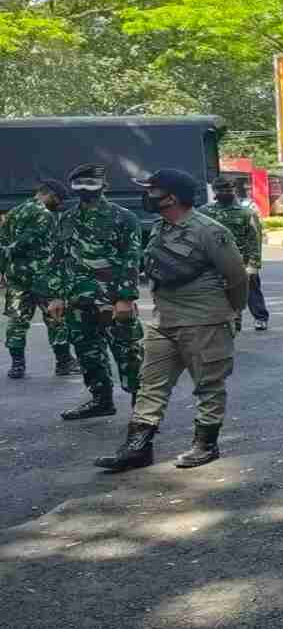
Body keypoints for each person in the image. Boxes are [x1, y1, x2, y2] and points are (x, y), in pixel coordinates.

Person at [94, 169, 248, 472]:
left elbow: (237, 277)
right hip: (164, 321)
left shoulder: (210, 231)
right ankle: (137, 448)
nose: (146, 196)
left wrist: (232, 312)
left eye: (151, 190)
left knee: (208, 385)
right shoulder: (159, 227)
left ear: (171, 197)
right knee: (150, 384)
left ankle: (206, 445)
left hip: (204, 321)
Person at [50, 164, 145, 421]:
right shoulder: (66, 218)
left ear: (104, 186)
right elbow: (59, 259)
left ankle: (143, 410)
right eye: (79, 184)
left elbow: (131, 259)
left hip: (111, 301)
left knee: (128, 353)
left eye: (90, 183)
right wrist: (57, 296)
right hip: (77, 301)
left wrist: (125, 298)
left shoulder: (123, 217)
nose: (84, 189)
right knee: (87, 353)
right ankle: (101, 400)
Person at [1, 178, 78, 378]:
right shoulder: (46, 215)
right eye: (59, 200)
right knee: (56, 319)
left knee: (17, 322)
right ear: (49, 194)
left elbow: (3, 244)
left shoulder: (14, 212)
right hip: (44, 278)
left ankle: (17, 365)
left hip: (17, 277)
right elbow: (53, 249)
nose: (60, 205)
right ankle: (64, 362)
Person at [199, 176, 268, 331]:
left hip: (242, 260)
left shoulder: (246, 213)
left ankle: (260, 317)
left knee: (251, 290)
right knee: (223, 293)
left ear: (234, 190)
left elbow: (255, 239)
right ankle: (233, 323)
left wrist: (253, 264)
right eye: (222, 190)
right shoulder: (205, 212)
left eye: (229, 189)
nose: (225, 192)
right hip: (216, 262)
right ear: (215, 191)